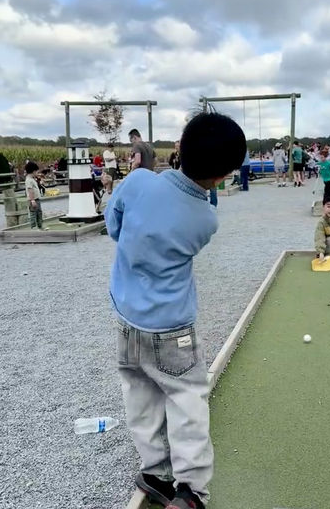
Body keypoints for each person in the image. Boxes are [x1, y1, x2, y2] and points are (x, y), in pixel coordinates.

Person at [105, 112, 246, 509]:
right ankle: (190, 489)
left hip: (128, 318)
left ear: (179, 149)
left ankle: (155, 473)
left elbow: (114, 228)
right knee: (185, 397)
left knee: (140, 393)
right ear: (222, 176)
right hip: (173, 327)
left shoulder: (136, 182)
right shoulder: (205, 218)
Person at [25, 161, 44, 230]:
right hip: (33, 200)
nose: (37, 173)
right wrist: (32, 200)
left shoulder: (32, 179)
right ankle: (33, 227)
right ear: (33, 171)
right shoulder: (29, 180)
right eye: (36, 172)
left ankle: (40, 226)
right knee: (33, 213)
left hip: (37, 199)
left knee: (39, 212)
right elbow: (30, 190)